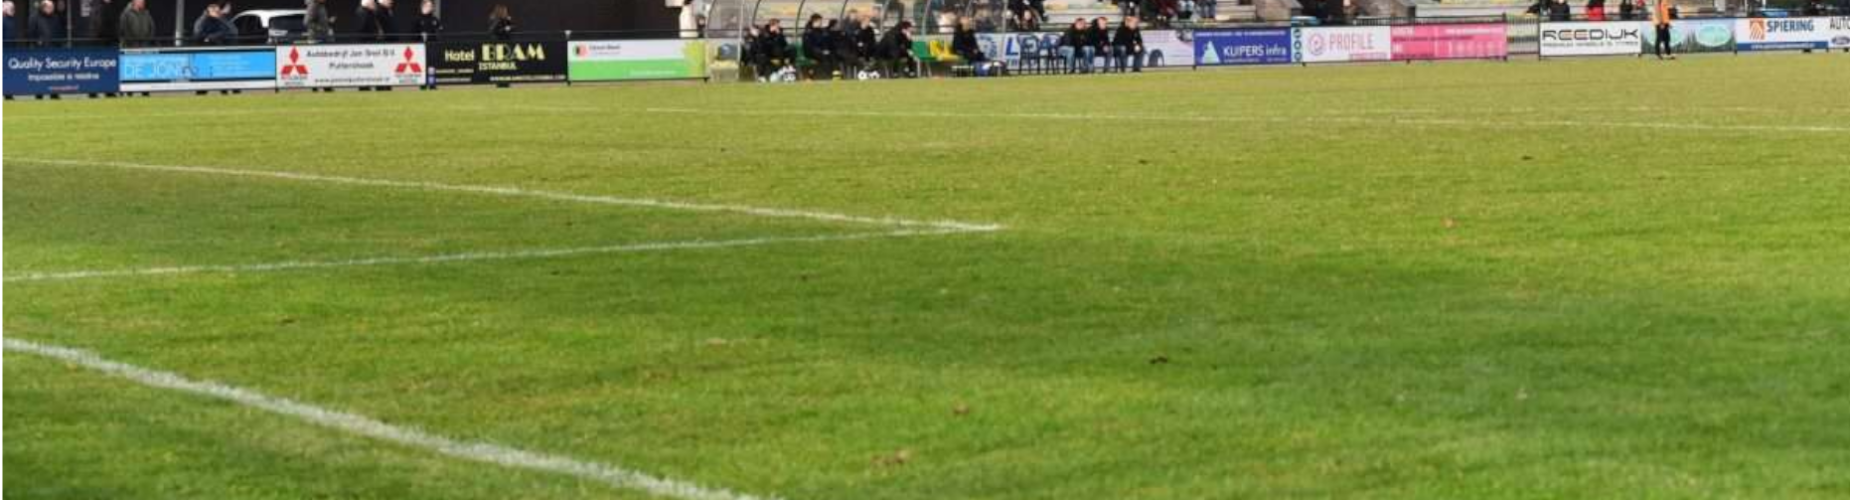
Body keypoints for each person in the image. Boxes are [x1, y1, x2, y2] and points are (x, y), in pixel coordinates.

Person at [801, 15, 832, 79]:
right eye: (820, 21)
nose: (821, 23)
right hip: (810, 52)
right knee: (824, 57)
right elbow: (808, 45)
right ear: (815, 21)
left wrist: (826, 49)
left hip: (819, 51)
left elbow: (824, 42)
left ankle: (834, 74)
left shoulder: (821, 30)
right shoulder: (808, 31)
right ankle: (827, 76)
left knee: (831, 55)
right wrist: (822, 51)